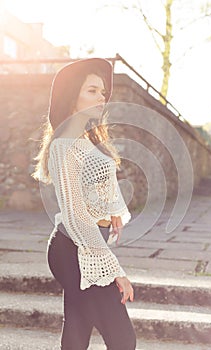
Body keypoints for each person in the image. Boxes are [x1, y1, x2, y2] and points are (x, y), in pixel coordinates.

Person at [32, 58, 136, 350]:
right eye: (92, 90)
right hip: (73, 248)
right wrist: (116, 271)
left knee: (77, 331)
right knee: (123, 339)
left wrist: (113, 210)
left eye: (102, 91)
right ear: (72, 96)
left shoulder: (88, 140)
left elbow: (102, 180)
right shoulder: (64, 146)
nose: (101, 96)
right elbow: (76, 217)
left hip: (88, 242)